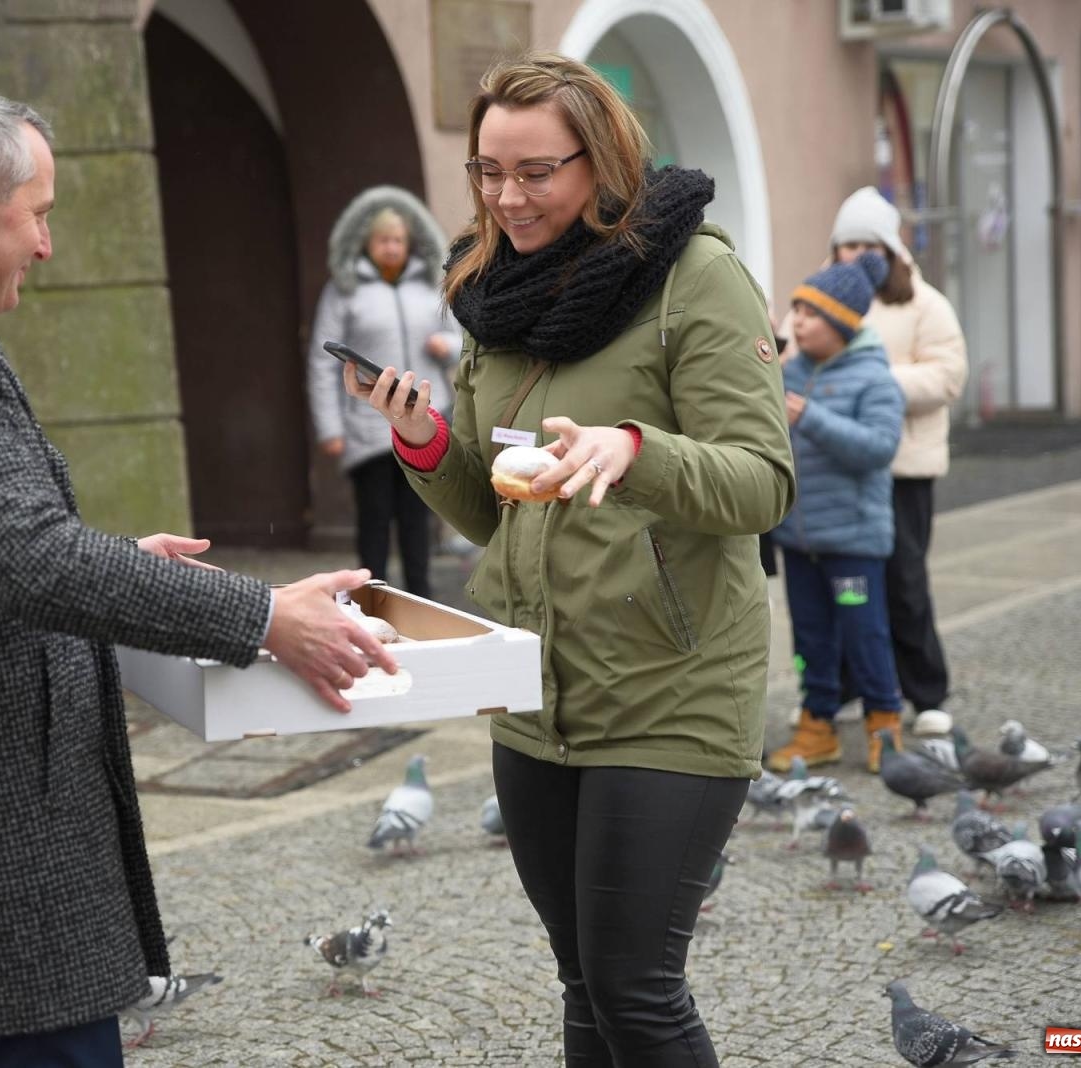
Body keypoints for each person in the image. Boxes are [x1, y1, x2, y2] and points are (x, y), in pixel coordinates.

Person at [0, 84, 395, 1067]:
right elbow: (33, 562)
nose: (46, 244)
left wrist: (114, 562)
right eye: (39, 214)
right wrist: (261, 616)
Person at [346, 52, 793, 1066]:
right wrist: (422, 445)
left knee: (637, 990)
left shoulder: (697, 277)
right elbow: (491, 509)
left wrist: (634, 451)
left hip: (670, 689)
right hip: (537, 695)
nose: (506, 196)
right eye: (487, 172)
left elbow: (764, 480)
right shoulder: (490, 293)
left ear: (601, 162)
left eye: (536, 171)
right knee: (584, 983)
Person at [765, 252, 906, 775]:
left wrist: (808, 415)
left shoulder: (874, 379)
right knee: (811, 639)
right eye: (796, 310)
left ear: (842, 324)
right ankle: (816, 727)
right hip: (800, 543)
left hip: (852, 546)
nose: (798, 322)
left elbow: (877, 448)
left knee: (864, 634)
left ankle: (884, 726)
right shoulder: (788, 373)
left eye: (810, 314)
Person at [829, 187, 967, 722]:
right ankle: (844, 688)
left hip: (902, 468)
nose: (857, 254)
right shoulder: (824, 297)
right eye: (848, 243)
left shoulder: (925, 303)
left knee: (905, 583)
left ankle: (926, 693)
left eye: (869, 243)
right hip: (838, 465)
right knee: (842, 584)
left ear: (889, 248)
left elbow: (948, 375)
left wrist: (875, 384)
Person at [307, 186, 460, 597]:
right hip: (368, 426)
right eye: (382, 240)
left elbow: (461, 340)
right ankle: (370, 599)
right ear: (367, 244)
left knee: (418, 520)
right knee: (374, 521)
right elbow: (323, 361)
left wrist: (448, 347)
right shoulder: (344, 290)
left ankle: (422, 599)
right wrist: (330, 428)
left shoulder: (431, 285)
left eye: (398, 240)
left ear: (409, 243)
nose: (391, 247)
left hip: (426, 421)